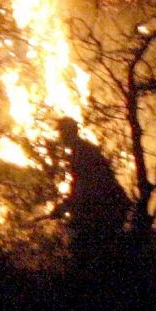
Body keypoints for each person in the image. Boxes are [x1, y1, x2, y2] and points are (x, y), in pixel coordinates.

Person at [52, 116, 135, 274]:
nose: (60, 136)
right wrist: (66, 206)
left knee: (92, 258)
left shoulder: (82, 153)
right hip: (107, 207)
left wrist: (65, 206)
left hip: (107, 209)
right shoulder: (82, 150)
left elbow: (85, 188)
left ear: (70, 133)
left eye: (62, 132)